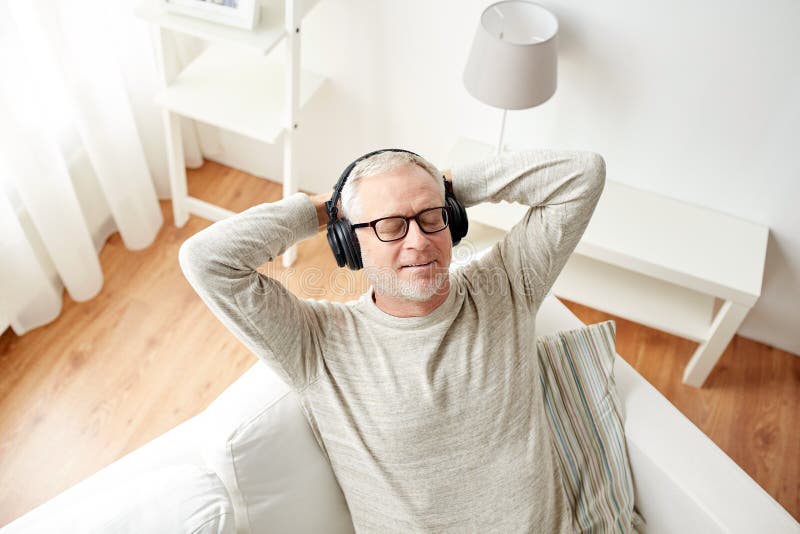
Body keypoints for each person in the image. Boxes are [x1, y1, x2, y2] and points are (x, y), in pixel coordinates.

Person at [179, 147, 606, 533]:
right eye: (390, 225)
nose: (419, 241)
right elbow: (207, 260)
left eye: (430, 217)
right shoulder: (319, 345)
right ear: (350, 242)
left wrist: (445, 185)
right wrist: (325, 210)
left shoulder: (507, 285)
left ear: (451, 221)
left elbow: (582, 174)